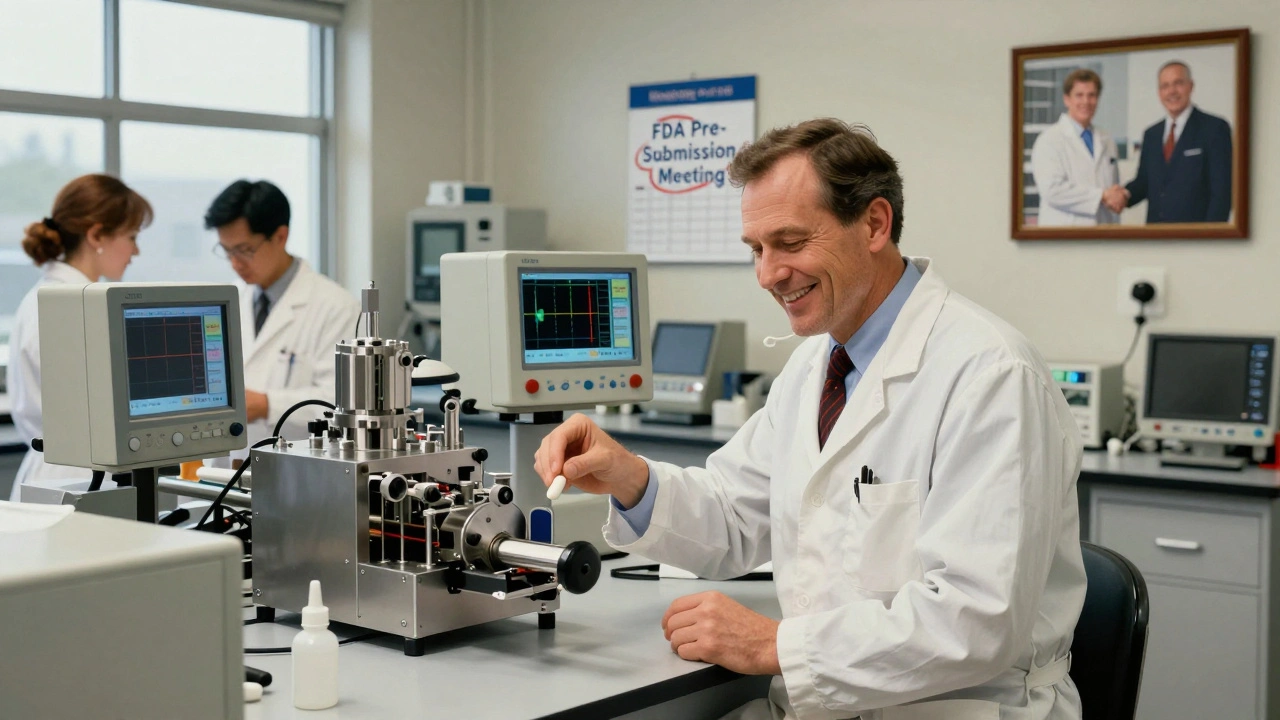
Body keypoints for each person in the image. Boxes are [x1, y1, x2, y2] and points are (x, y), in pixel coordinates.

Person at [535, 119, 1086, 719]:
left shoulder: (991, 375)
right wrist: (628, 477)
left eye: (791, 243)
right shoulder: (813, 370)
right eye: (757, 249)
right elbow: (733, 516)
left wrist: (774, 644)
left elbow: (977, 621)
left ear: (874, 224)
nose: (768, 274)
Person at [9, 174, 153, 501]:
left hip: (60, 473)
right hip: (76, 479)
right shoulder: (74, 307)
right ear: (96, 234)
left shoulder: (49, 296)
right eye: (131, 236)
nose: (136, 250)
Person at [204, 180, 359, 447]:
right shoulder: (230, 301)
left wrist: (267, 405)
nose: (234, 263)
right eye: (226, 251)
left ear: (280, 236)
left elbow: (344, 405)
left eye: (244, 250)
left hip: (297, 469)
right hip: (228, 465)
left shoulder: (337, 307)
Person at [1123, 61, 1233, 223]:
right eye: (1165, 86)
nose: (1171, 91)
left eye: (1178, 83)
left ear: (1191, 86)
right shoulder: (1151, 134)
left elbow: (1222, 193)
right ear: (1159, 92)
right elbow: (1144, 182)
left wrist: (1212, 240)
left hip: (1197, 239)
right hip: (1156, 238)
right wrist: (1122, 195)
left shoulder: (1215, 128)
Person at [1030, 68, 1126, 226]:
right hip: (1064, 235)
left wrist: (1117, 197)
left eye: (1092, 95)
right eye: (1079, 95)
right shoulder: (1049, 140)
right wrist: (1101, 196)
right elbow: (1052, 190)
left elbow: (1112, 188)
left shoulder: (1106, 140)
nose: (1086, 102)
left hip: (1104, 232)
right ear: (1066, 99)